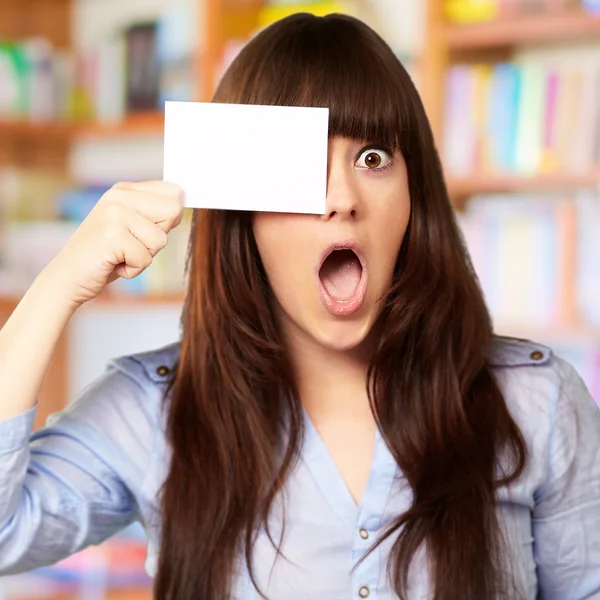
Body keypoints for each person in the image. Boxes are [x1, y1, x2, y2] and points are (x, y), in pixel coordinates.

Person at [0, 11, 599, 600]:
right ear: (245, 216)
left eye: (373, 159)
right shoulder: (154, 410)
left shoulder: (539, 403)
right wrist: (56, 286)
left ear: (416, 198)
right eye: (305, 167)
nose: (341, 198)